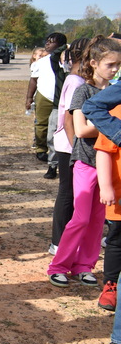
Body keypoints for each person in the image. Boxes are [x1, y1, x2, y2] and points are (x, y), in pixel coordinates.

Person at [48, 37, 121, 288]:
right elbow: (80, 129)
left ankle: (84, 266)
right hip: (86, 162)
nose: (114, 70)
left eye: (118, 65)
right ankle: (58, 265)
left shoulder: (115, 92)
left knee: (98, 220)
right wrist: (113, 124)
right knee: (80, 217)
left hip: (110, 164)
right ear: (93, 63)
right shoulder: (84, 90)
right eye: (110, 64)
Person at [83, 83, 121, 312]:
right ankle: (111, 285)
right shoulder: (116, 112)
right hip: (119, 197)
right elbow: (104, 152)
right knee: (117, 241)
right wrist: (106, 186)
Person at [49, 38, 89, 256]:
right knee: (67, 193)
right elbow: (68, 119)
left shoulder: (76, 79)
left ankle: (63, 241)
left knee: (70, 193)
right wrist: (77, 148)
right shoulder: (75, 82)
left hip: (70, 144)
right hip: (69, 145)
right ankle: (57, 242)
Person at [26, 33, 68, 174]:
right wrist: (29, 97)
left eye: (52, 42)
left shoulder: (66, 61)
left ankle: (58, 153)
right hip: (43, 96)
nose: (47, 44)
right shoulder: (40, 62)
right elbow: (33, 80)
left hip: (60, 98)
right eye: (47, 41)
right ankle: (41, 149)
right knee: (42, 124)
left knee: (57, 126)